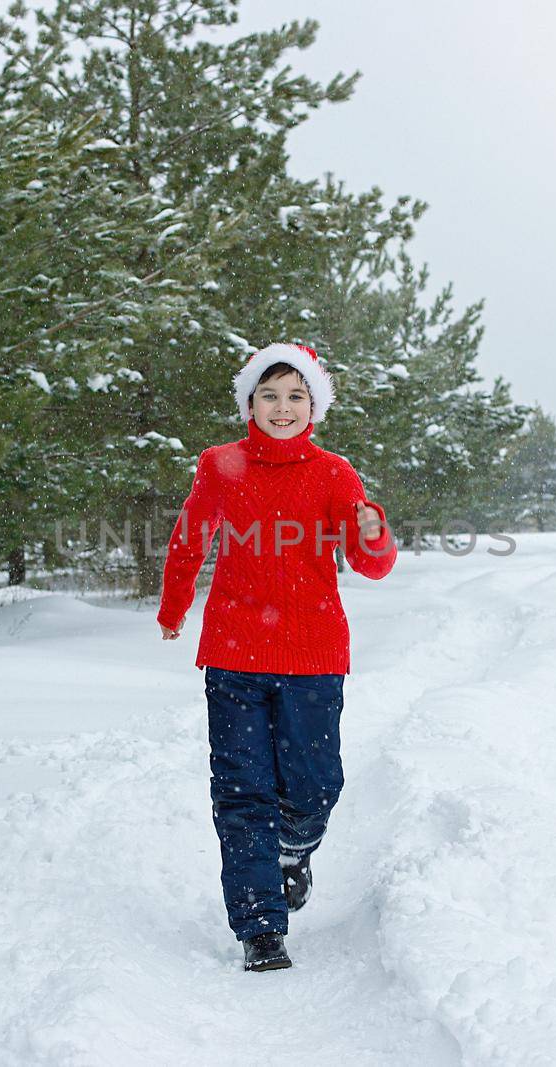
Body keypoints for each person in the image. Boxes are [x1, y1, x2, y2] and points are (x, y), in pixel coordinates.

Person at [157, 342, 397, 973]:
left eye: (296, 396)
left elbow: (371, 561)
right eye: (270, 395)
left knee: (317, 784)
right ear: (250, 403)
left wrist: (373, 535)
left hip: (314, 655)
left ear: (313, 404)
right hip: (234, 655)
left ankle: (294, 850)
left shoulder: (334, 473)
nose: (282, 407)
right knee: (241, 792)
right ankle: (260, 925)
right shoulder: (220, 465)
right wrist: (173, 607)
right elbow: (189, 541)